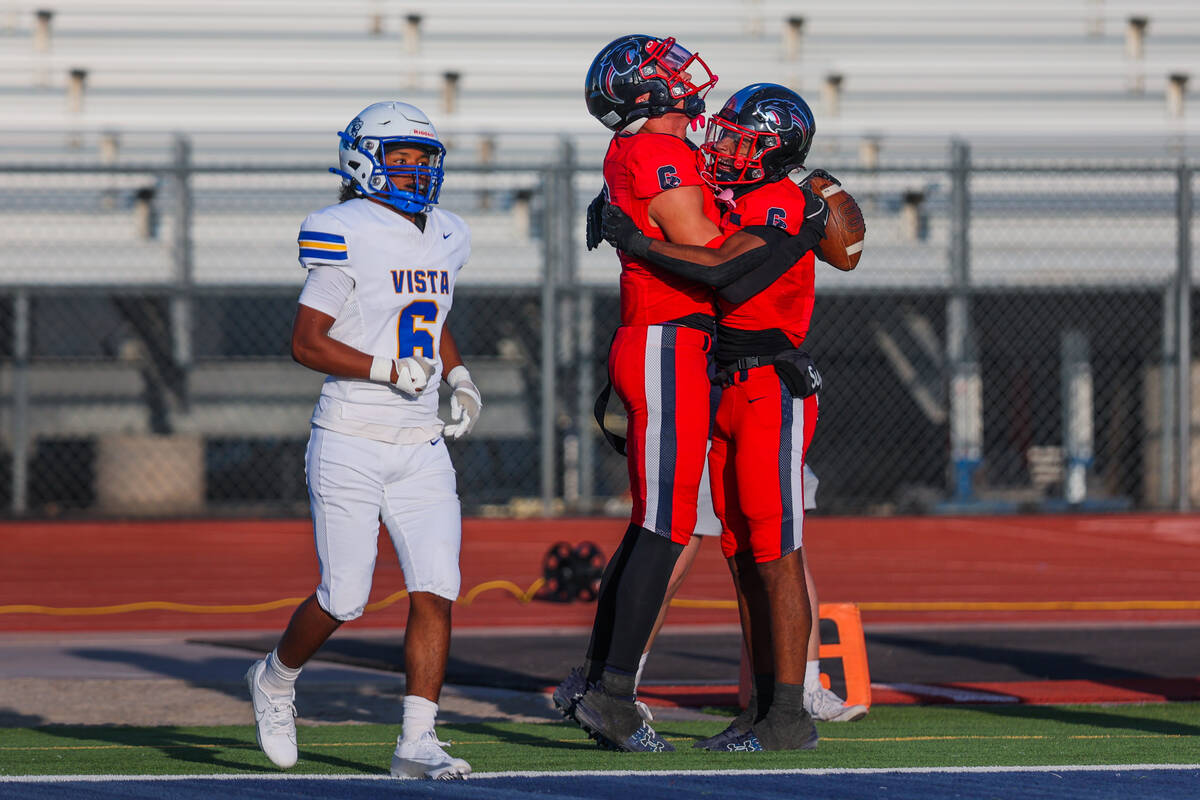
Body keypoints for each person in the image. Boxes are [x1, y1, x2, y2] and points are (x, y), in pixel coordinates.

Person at [556, 36, 828, 753]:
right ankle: (609, 693)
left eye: (742, 138)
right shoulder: (655, 153)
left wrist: (817, 194)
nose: (687, 86)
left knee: (696, 531)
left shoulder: (744, 181)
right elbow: (711, 253)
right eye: (665, 74)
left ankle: (608, 687)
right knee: (667, 526)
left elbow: (825, 239)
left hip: (712, 356)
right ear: (638, 92)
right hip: (671, 341)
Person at [602, 83, 861, 749]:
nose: (720, 144)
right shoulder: (740, 196)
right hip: (725, 383)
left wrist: (633, 240)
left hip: (770, 384)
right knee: (743, 550)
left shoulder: (783, 198)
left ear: (773, 146)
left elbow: (723, 267)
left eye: (738, 136)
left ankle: (787, 714)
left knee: (777, 551)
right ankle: (762, 708)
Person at [244, 101, 481, 780]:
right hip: (349, 432)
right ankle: (275, 679)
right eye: (399, 157)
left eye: (422, 158)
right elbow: (306, 343)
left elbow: (427, 317)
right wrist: (386, 369)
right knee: (344, 597)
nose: (413, 171)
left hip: (419, 441)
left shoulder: (448, 233)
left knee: (436, 586)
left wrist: (459, 376)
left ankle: (416, 742)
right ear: (362, 160)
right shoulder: (342, 229)